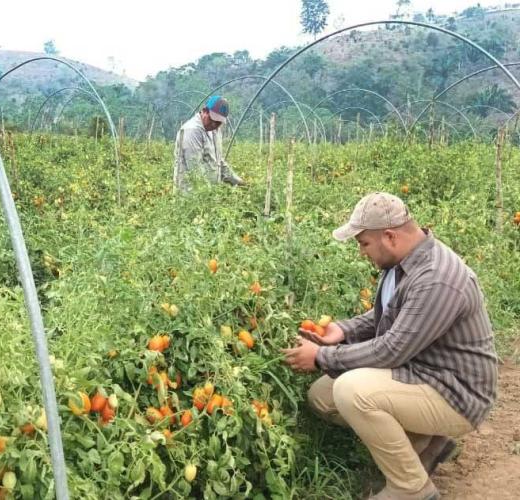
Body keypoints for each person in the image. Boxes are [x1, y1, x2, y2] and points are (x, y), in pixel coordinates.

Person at [282, 192, 498, 500]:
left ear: (389, 236)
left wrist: (320, 356)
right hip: (423, 372)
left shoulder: (436, 278)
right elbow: (387, 313)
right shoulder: (404, 262)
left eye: (364, 243)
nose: (361, 252)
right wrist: (343, 330)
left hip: (456, 392)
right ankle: (425, 444)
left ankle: (412, 489)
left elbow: (390, 350)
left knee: (351, 391)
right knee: (323, 397)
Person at [172, 95, 245, 192]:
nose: (214, 124)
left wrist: (238, 181)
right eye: (212, 119)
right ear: (204, 111)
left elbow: (218, 162)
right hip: (190, 197)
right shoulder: (192, 131)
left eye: (219, 122)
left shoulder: (214, 130)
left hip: (208, 195)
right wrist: (210, 196)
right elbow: (195, 170)